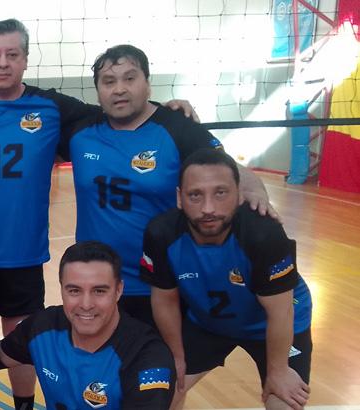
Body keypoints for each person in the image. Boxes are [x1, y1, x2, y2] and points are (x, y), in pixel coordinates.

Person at [0, 19, 201, 407]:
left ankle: (24, 404)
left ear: (26, 59)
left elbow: (119, 110)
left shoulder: (52, 107)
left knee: (22, 339)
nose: (3, 63)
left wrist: (169, 111)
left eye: (12, 54)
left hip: (24, 253)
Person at [61, 44, 275, 325]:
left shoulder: (177, 128)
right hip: (99, 282)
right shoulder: (80, 131)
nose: (119, 89)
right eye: (109, 82)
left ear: (147, 83)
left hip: (162, 282)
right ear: (98, 91)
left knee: (164, 353)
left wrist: (255, 190)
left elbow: (227, 167)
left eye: (130, 78)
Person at [142, 149, 313, 410]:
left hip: (271, 325)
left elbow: (281, 312)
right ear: (179, 198)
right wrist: (176, 356)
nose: (208, 208)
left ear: (239, 195)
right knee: (162, 394)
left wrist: (278, 371)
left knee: (284, 403)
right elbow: (164, 300)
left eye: (220, 193)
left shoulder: (264, 234)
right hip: (206, 322)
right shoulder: (161, 234)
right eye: (195, 195)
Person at [0, 241, 176, 408]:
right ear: (61, 289)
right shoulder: (42, 327)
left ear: (119, 290)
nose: (86, 305)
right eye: (74, 291)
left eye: (99, 291)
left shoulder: (148, 359)